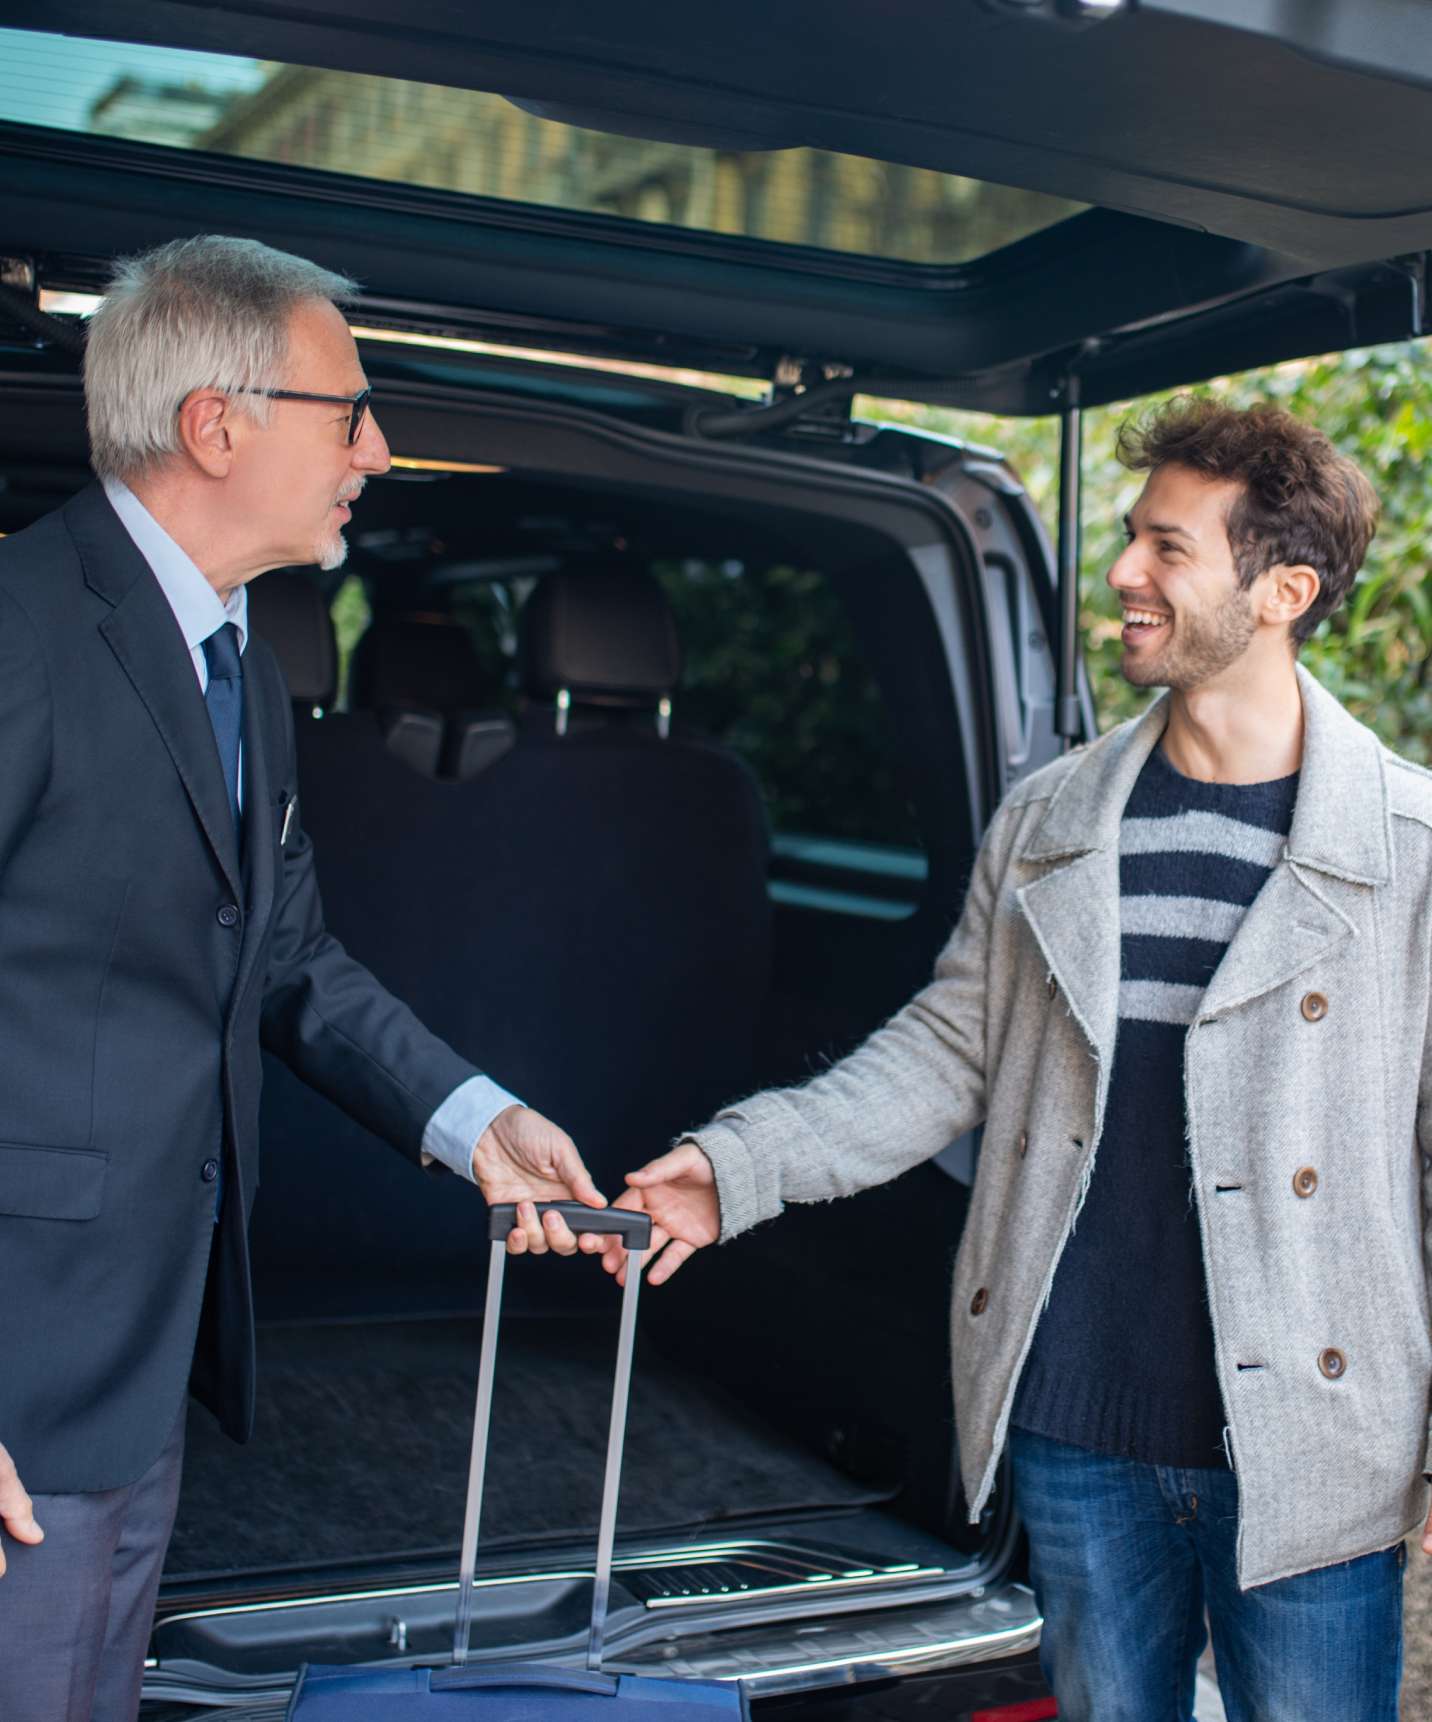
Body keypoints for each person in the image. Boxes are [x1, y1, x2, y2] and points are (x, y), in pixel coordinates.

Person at [594, 399, 1432, 1720]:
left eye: (1168, 547)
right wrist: (739, 1165)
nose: (1124, 570)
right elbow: (947, 1052)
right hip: (1077, 1423)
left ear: (1284, 591)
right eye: (1132, 535)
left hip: (1315, 1440)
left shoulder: (1408, 849)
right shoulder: (1050, 818)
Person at [0, 235, 599, 1721]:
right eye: (351, 413)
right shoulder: (14, 628)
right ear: (217, 424)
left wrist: (475, 1121)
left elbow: (282, 953)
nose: (378, 452)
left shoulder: (240, 663)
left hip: (139, 1364)